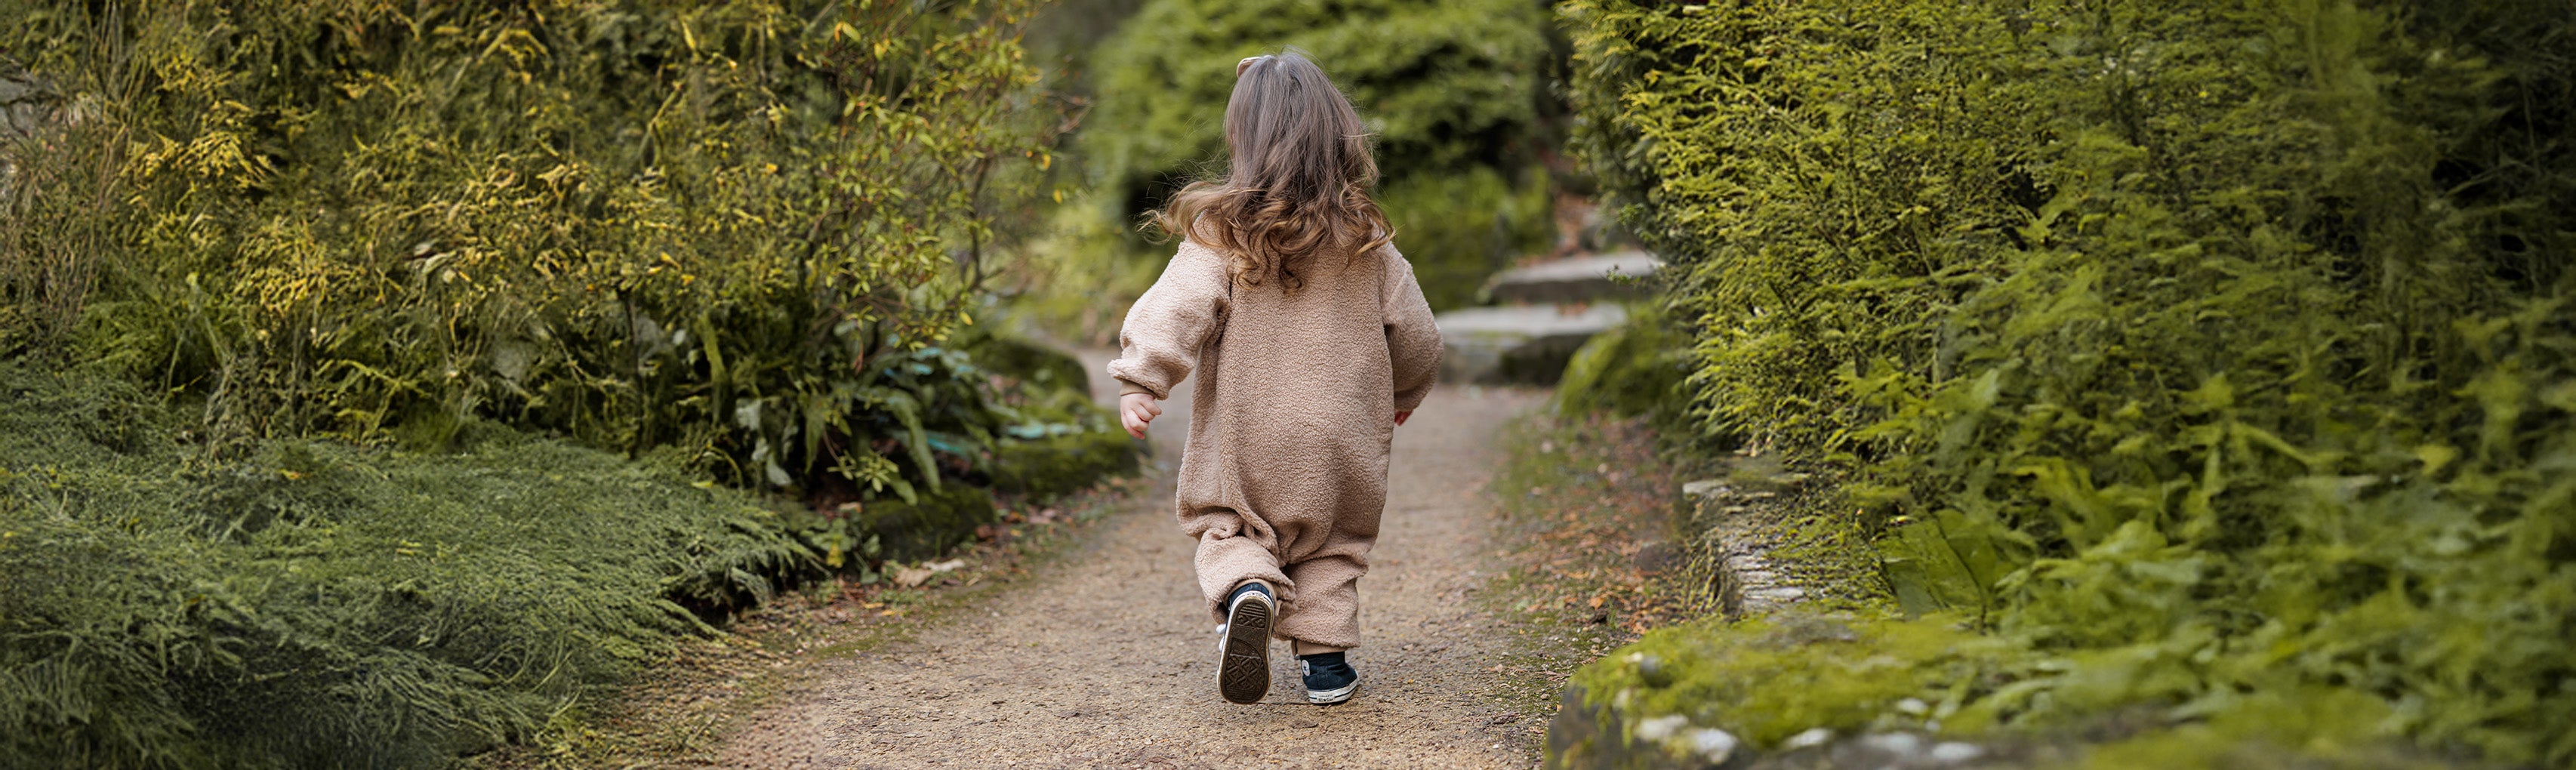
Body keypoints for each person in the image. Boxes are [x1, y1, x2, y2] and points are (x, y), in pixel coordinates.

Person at [1105, 50, 1442, 706]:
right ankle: (1327, 667)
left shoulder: (1222, 232)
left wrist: (1142, 378)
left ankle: (1249, 590)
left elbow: (1178, 305)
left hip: (1249, 432)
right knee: (1334, 544)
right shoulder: (1367, 237)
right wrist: (1405, 393)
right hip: (1341, 437)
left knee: (1230, 525)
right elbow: (1418, 333)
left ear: (1243, 140)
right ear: (1337, 135)